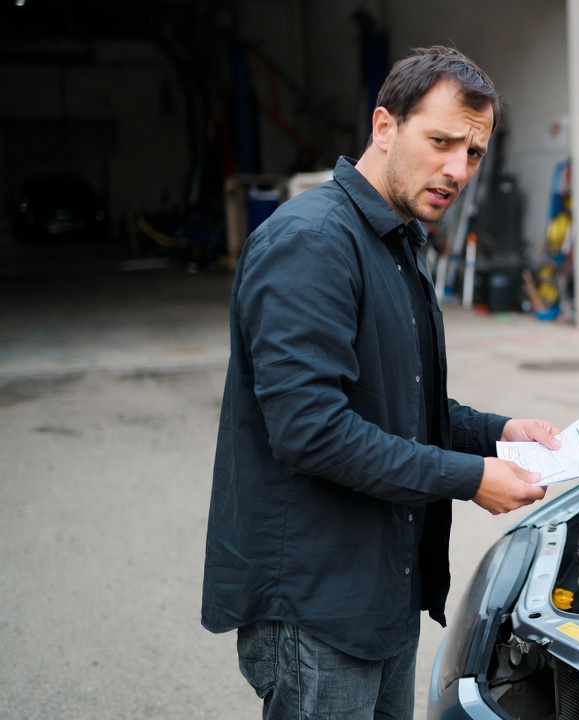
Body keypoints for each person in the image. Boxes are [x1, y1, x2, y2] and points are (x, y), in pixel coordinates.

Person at [201, 46, 559, 719]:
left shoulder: (396, 243)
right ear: (384, 127)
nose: (458, 169)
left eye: (474, 153)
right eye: (441, 141)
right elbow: (311, 431)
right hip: (317, 611)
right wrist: (469, 476)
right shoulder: (312, 242)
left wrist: (500, 434)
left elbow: (406, 399)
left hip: (381, 593)